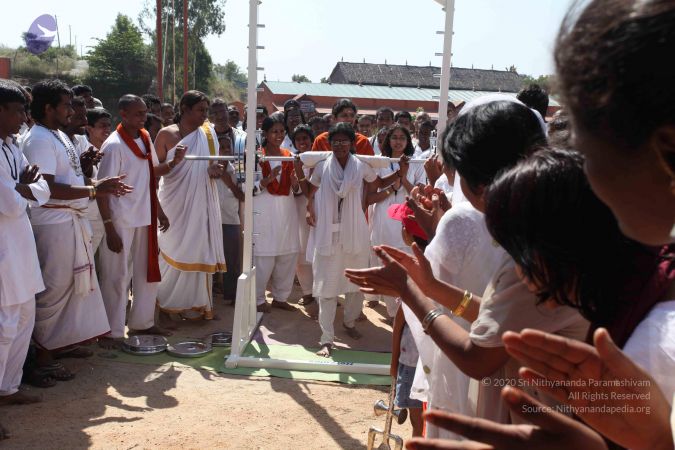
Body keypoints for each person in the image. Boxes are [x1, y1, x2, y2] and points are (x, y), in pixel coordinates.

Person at [347, 98, 589, 425]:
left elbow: (477, 358)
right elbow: (500, 317)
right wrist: (431, 287)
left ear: (479, 183)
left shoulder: (536, 254)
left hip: (535, 419)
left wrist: (410, 291)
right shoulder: (545, 230)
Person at [22, 79, 130, 380]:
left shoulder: (58, 135)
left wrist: (87, 173)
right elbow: (48, 188)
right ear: (48, 108)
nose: (72, 111)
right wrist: (96, 190)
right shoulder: (39, 139)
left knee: (70, 288)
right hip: (53, 224)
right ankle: (43, 357)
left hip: (69, 221)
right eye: (66, 105)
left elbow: (68, 178)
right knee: (53, 291)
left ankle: (59, 345)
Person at [299, 123, 401, 357]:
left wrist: (399, 173)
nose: (340, 145)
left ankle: (349, 322)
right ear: (330, 144)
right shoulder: (322, 166)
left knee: (355, 284)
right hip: (327, 234)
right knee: (327, 287)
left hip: (355, 233)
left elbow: (377, 185)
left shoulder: (361, 166)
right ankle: (326, 338)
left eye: (344, 141)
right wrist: (298, 171)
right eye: (336, 141)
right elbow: (309, 191)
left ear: (352, 144)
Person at [96, 95, 181, 347]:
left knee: (146, 273)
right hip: (120, 219)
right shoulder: (113, 146)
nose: (143, 118)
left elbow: (151, 173)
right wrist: (109, 227)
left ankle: (142, 323)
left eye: (144, 113)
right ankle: (111, 331)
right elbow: (102, 190)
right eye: (138, 114)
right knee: (117, 275)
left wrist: (173, 164)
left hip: (144, 216)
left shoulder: (144, 138)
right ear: (123, 114)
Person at [0, 80, 49, 434]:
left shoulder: (12, 146)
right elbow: (10, 204)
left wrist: (22, 186)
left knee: (23, 318)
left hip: (20, 245)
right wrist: (23, 189)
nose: (23, 118)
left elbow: (41, 189)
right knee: (5, 325)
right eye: (18, 111)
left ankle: (8, 387)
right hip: (4, 249)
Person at [155, 90, 226, 321]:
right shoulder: (166, 135)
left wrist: (214, 170)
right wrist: (174, 163)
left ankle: (197, 306)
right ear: (184, 109)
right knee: (170, 247)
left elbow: (213, 165)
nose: (205, 115)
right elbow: (152, 171)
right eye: (200, 110)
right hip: (173, 203)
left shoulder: (208, 134)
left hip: (200, 204)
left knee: (198, 247)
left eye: (206, 111)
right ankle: (164, 304)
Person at [365, 124, 425, 319]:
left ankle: (402, 311)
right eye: (394, 137)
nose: (398, 141)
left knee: (405, 262)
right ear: (387, 140)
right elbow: (371, 194)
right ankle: (390, 310)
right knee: (384, 260)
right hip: (383, 215)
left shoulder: (416, 162)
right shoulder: (379, 162)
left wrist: (403, 177)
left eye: (402, 138)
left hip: (405, 216)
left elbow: (418, 194)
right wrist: (393, 184)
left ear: (408, 141)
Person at [253, 113, 300, 313]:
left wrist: (296, 182)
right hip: (264, 213)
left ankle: (281, 297)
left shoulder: (289, 156)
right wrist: (267, 180)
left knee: (287, 256)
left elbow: (296, 190)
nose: (279, 135)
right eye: (274, 131)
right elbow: (247, 188)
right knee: (264, 258)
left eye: (282, 131)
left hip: (286, 213)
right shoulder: (256, 156)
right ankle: (257, 299)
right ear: (265, 133)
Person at [215, 133, 243, 304]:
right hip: (210, 219)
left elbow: (243, 196)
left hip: (231, 219)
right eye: (222, 147)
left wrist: (229, 182)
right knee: (209, 257)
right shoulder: (208, 167)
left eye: (228, 147)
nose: (225, 150)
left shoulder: (237, 170)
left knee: (231, 259)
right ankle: (211, 294)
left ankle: (232, 295)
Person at [290, 124, 316, 306]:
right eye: (298, 139)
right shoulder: (292, 160)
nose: (302, 142)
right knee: (302, 252)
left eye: (305, 138)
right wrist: (294, 182)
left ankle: (323, 292)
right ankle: (308, 292)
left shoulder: (320, 160)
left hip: (318, 209)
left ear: (312, 140)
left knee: (320, 251)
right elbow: (295, 190)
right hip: (299, 211)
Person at [84, 108, 112, 252]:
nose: (107, 129)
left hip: (110, 216)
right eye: (102, 126)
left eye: (109, 125)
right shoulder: (83, 152)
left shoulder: (110, 149)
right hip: (90, 217)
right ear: (89, 129)